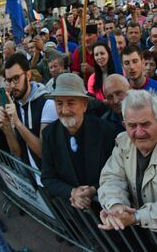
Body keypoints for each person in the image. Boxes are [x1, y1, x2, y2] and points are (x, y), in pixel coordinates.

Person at [97, 89, 157, 249]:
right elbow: (111, 177)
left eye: (145, 124)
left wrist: (135, 217)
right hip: (153, 233)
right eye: (132, 125)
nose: (139, 132)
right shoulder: (123, 142)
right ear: (124, 125)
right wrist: (115, 206)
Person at [41, 73, 119, 208]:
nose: (64, 110)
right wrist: (71, 192)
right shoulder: (49, 135)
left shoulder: (106, 131)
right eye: (59, 103)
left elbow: (118, 172)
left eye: (71, 103)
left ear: (84, 105)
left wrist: (94, 189)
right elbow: (48, 178)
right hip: (74, 219)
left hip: (107, 213)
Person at [0, 53, 58, 169]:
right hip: (30, 181)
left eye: (16, 78)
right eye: (8, 80)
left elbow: (44, 152)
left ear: (28, 75)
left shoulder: (47, 103)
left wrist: (17, 122)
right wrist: (7, 128)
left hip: (49, 182)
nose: (12, 85)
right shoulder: (14, 105)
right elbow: (17, 153)